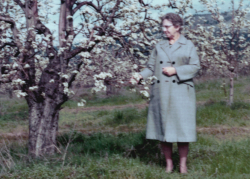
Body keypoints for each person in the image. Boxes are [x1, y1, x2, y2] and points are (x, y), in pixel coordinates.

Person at [131, 13, 200, 173]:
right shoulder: (159, 46)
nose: (164, 30)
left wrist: (176, 70)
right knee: (163, 129)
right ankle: (168, 164)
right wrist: (140, 76)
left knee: (183, 130)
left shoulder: (188, 45)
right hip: (161, 92)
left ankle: (183, 165)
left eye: (167, 26)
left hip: (182, 92)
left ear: (177, 27)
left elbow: (195, 67)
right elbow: (150, 67)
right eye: (163, 26)